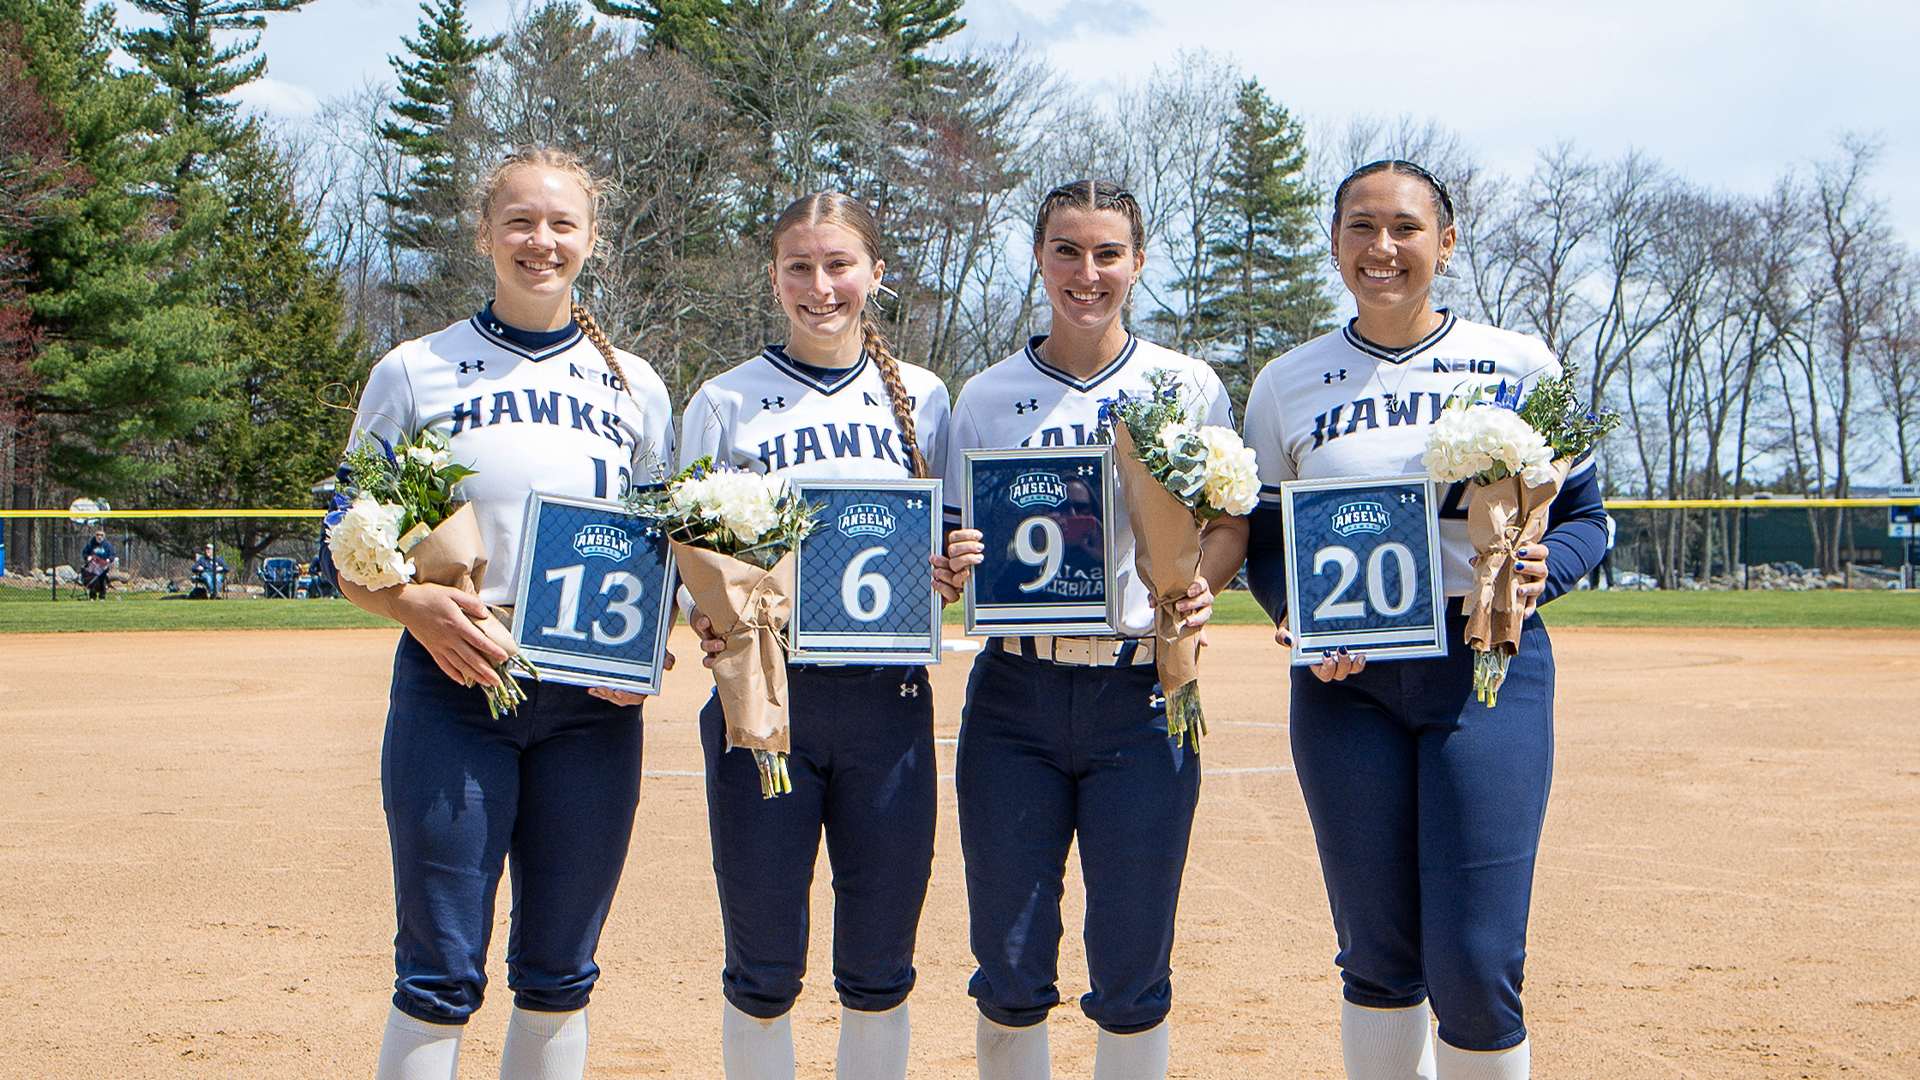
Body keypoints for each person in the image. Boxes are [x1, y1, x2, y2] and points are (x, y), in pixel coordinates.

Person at [1241, 159, 1610, 1080]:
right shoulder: (1288, 383)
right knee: (1377, 951)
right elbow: (1259, 538)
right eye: (1361, 227)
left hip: (1485, 667)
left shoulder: (1519, 363)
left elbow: (1588, 520)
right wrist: (1297, 614)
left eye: (1405, 227)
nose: (1383, 247)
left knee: (1477, 962)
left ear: (1445, 243)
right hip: (1346, 683)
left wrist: (1541, 571)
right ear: (1335, 245)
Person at [329, 146, 675, 1080]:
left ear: (592, 239)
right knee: (440, 967)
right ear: (484, 234)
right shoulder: (414, 370)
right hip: (457, 680)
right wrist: (412, 606)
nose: (541, 240)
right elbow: (348, 543)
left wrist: (655, 640)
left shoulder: (638, 388)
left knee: (561, 969)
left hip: (591, 705)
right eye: (520, 220)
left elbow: (661, 550)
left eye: (562, 223)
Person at [932, 179, 1248, 1080]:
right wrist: (953, 561)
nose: (1087, 271)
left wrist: (1202, 585)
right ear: (1038, 260)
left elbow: (1229, 522)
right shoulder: (987, 394)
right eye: (1066, 250)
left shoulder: (1186, 385)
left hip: (1143, 692)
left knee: (1134, 954)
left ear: (1138, 264)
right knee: (1010, 950)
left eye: (1107, 252)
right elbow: (955, 543)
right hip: (1014, 697)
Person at [678, 192, 951, 1080]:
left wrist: (954, 570)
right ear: (773, 277)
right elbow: (694, 570)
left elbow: (944, 547)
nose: (821, 285)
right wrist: (708, 618)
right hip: (766, 703)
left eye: (840, 265)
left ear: (876, 272)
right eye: (800, 266)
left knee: (879, 964)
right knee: (762, 964)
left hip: (888, 705)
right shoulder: (724, 401)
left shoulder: (926, 396)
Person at [80, 529, 115, 600]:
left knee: (102, 580)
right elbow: (84, 552)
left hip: (103, 566)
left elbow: (112, 554)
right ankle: (92, 596)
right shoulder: (91, 544)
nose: (99, 537)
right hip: (93, 566)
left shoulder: (106, 545)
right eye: (97, 535)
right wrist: (88, 557)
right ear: (95, 536)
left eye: (101, 535)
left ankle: (102, 596)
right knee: (93, 580)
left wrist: (109, 559)